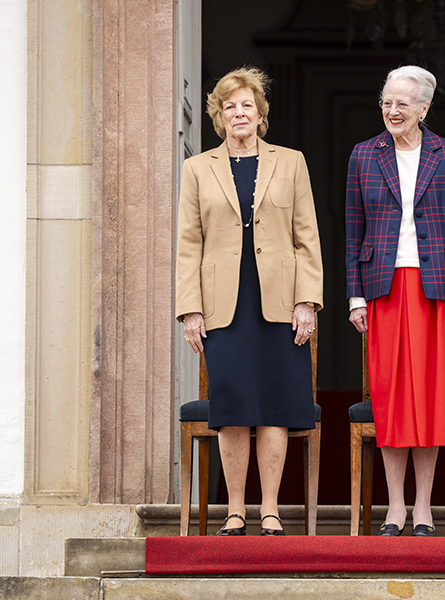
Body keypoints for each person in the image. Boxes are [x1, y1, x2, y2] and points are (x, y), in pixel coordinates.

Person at [175, 66, 323, 536]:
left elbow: (307, 238)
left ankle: (271, 508)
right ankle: (235, 508)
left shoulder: (291, 161)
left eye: (247, 105)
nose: (239, 113)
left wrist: (308, 301)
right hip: (224, 304)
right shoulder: (198, 168)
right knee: (234, 406)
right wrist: (190, 308)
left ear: (261, 115)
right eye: (229, 106)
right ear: (219, 117)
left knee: (276, 404)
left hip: (280, 302)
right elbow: (188, 244)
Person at [345, 65, 445, 537]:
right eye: (386, 101)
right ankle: (395, 506)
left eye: (403, 102)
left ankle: (423, 507)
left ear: (425, 107)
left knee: (431, 400)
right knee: (391, 398)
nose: (393, 110)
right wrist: (354, 295)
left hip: (439, 288)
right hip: (383, 289)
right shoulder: (363, 155)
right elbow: (353, 231)